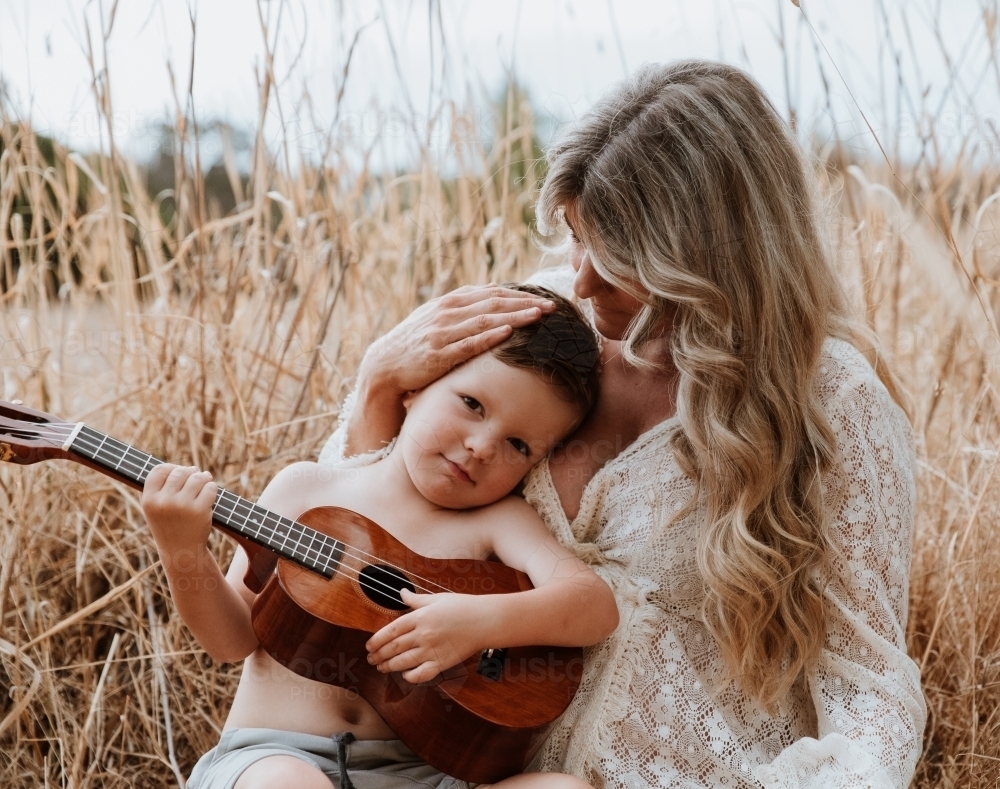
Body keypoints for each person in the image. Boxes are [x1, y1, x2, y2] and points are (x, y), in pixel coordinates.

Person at [322, 60, 927, 788]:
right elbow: (354, 528)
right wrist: (377, 386)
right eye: (576, 236)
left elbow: (867, 685)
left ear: (712, 256)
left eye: (617, 259)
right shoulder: (531, 325)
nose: (578, 278)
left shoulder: (831, 400)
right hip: (449, 771)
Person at [139, 286, 619, 789]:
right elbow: (231, 640)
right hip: (275, 756)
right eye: (472, 404)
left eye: (518, 444)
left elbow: (593, 606)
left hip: (419, 777)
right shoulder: (307, 488)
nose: (481, 446)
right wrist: (183, 550)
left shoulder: (500, 521)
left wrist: (479, 624)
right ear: (415, 387)